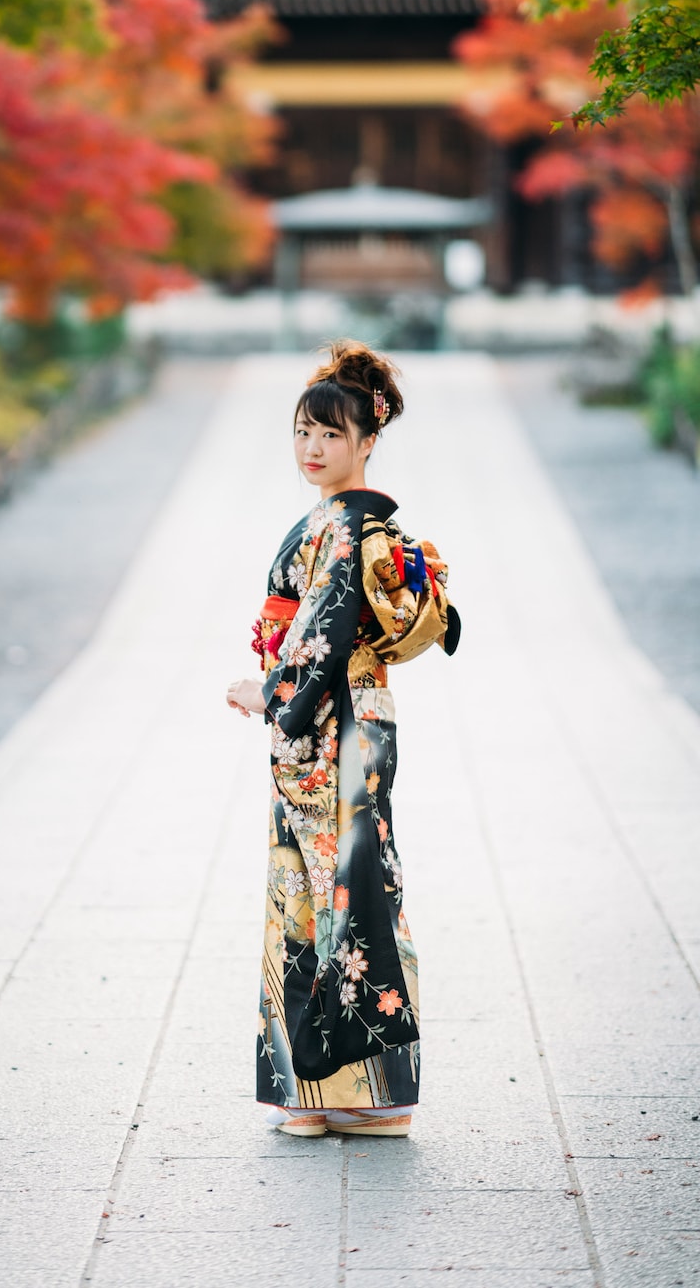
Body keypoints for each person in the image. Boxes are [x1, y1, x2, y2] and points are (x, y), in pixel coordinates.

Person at [226, 341, 460, 1138]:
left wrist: (271, 696)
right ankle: (347, 1093)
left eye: (330, 434)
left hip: (332, 723)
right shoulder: (342, 522)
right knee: (342, 887)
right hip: (351, 720)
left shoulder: (352, 526)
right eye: (302, 432)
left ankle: (351, 1091)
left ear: (369, 438)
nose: (313, 448)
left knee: (335, 893)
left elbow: (322, 635)